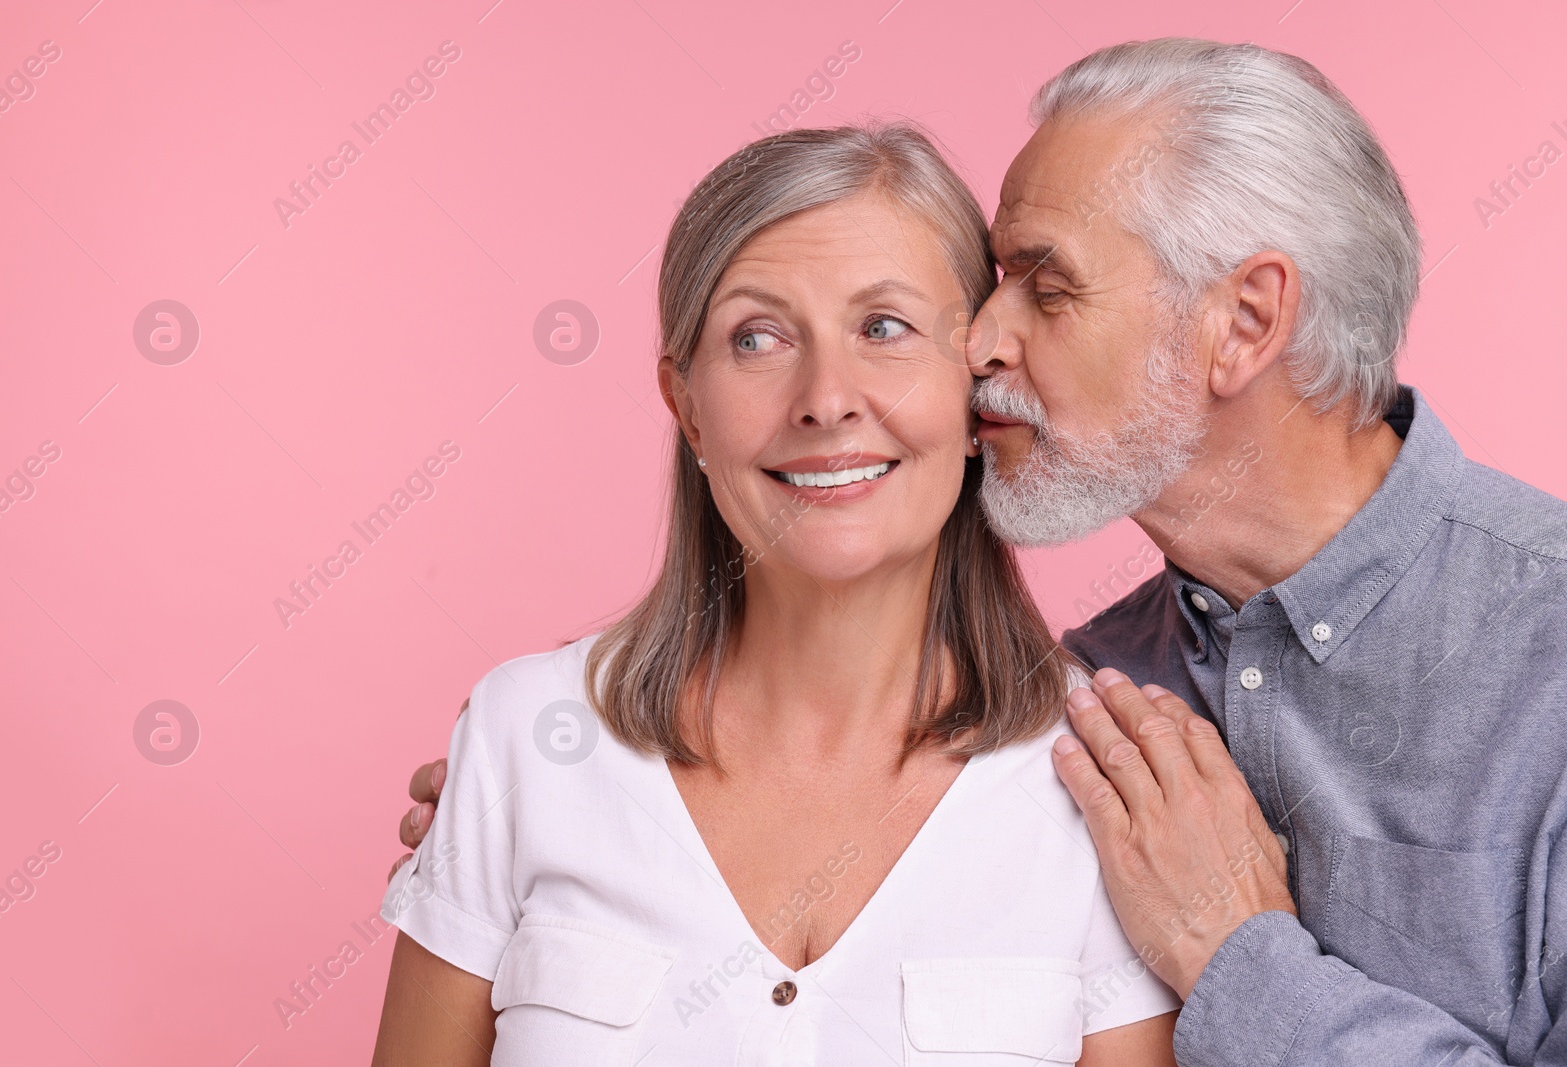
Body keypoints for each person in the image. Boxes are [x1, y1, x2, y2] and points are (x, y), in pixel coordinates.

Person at [401, 37, 1567, 1065]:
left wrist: (1237, 955)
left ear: (1244, 323)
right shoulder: (1101, 705)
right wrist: (549, 786)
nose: (984, 339)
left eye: (1044, 288)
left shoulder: (1543, 647)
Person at [372, 124, 1178, 1066]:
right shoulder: (524, 735)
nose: (825, 398)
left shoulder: (1106, 790)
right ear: (687, 407)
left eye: (885, 327)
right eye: (757, 337)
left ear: (976, 389)